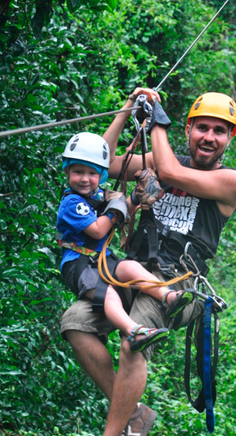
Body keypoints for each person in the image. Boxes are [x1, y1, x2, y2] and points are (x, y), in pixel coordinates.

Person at [61, 90, 236, 436]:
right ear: (189, 129)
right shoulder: (160, 162)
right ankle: (134, 412)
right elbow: (103, 165)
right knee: (75, 324)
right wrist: (128, 111)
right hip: (130, 270)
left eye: (220, 131)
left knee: (133, 341)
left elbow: (170, 171)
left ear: (229, 138)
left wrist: (156, 119)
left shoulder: (230, 182)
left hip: (177, 285)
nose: (210, 137)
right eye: (203, 127)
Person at [57, 131, 194, 353]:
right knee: (108, 294)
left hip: (101, 260)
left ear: (101, 176)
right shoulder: (72, 202)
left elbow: (121, 208)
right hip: (79, 263)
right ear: (67, 172)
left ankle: (168, 297)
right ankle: (134, 331)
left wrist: (134, 197)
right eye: (78, 172)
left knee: (130, 267)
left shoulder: (98, 195)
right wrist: (116, 209)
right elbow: (99, 230)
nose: (84, 178)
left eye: (92, 173)